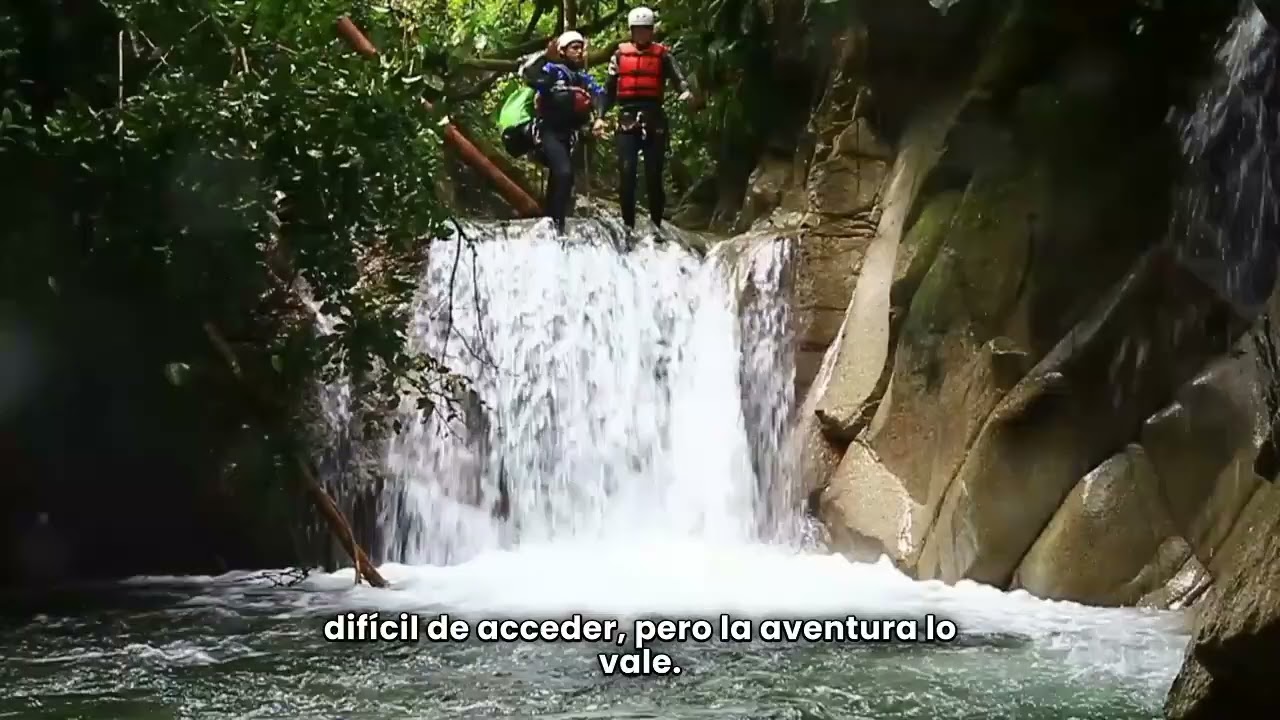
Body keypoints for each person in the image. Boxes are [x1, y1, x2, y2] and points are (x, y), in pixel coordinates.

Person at [603, 7, 698, 234]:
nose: (642, 35)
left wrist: (685, 93)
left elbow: (678, 78)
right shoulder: (619, 56)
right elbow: (608, 89)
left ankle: (656, 225)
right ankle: (628, 226)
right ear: (632, 31)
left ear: (652, 31)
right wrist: (599, 115)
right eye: (638, 31)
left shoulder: (662, 55)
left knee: (654, 175)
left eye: (646, 30)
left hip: (654, 118)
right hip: (627, 118)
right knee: (627, 174)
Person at [518, 30, 608, 234]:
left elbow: (599, 96)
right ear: (563, 51)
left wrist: (600, 118)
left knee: (562, 177)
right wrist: (544, 56)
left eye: (581, 48)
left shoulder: (582, 78)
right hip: (548, 132)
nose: (579, 52)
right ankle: (556, 223)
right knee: (564, 173)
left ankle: (552, 219)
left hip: (569, 135)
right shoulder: (551, 70)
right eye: (574, 48)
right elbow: (528, 75)